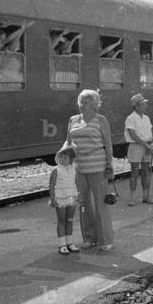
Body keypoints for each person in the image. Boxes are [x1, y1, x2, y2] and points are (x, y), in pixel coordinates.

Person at [65, 89, 115, 250]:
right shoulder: (73, 120)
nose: (82, 105)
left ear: (94, 104)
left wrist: (109, 165)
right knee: (84, 204)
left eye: (86, 102)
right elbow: (69, 143)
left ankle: (106, 241)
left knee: (101, 204)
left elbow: (108, 144)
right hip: (79, 167)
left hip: (98, 166)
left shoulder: (101, 120)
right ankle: (89, 238)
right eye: (81, 102)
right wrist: (63, 158)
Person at [48, 144, 81, 255]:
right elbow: (51, 185)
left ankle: (70, 242)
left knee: (70, 220)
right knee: (61, 221)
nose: (62, 159)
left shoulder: (74, 170)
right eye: (61, 157)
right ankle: (62, 244)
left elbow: (76, 182)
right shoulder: (56, 170)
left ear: (71, 160)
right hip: (60, 197)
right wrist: (53, 199)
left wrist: (79, 195)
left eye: (65, 157)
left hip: (71, 197)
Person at [125, 93, 153, 205]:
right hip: (135, 147)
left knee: (146, 172)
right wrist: (147, 145)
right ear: (136, 106)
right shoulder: (130, 118)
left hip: (146, 146)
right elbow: (133, 135)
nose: (145, 106)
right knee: (134, 172)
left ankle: (145, 197)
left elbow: (150, 133)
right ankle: (132, 199)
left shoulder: (146, 118)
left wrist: (151, 145)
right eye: (143, 104)